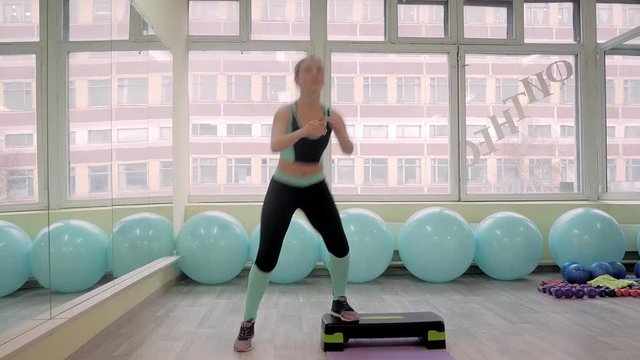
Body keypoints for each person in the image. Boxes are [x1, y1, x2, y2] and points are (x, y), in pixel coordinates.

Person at [234, 55, 359, 352]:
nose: (315, 74)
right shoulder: (285, 112)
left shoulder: (331, 114)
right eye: (308, 70)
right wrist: (305, 131)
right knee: (267, 256)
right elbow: (275, 144)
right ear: (297, 79)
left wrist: (339, 129)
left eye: (319, 70)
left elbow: (349, 149)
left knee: (339, 246)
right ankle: (248, 321)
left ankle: (339, 299)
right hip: (284, 188)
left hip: (315, 187)